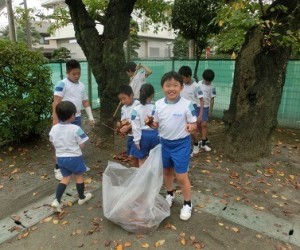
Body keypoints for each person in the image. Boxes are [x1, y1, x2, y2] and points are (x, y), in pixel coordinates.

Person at [149, 71, 197, 221]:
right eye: (168, 85)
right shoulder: (157, 104)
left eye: (175, 85)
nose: (171, 88)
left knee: (181, 176)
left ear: (181, 87)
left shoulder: (187, 105)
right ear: (162, 87)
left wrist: (192, 127)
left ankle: (188, 203)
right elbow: (155, 124)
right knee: (167, 172)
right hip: (164, 143)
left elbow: (194, 123)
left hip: (181, 145)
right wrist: (150, 123)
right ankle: (170, 194)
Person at [52, 59, 94, 181]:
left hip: (76, 117)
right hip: (63, 119)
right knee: (61, 143)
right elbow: (56, 102)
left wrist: (91, 117)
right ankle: (58, 168)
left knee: (77, 142)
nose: (76, 76)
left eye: (78, 73)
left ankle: (78, 165)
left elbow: (85, 101)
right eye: (74, 74)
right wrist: (55, 120)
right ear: (67, 72)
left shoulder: (81, 85)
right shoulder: (62, 84)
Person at [50, 101, 92, 213]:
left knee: (65, 178)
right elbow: (82, 145)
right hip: (74, 157)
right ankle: (82, 198)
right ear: (72, 115)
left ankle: (56, 200)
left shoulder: (54, 129)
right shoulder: (76, 129)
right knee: (79, 177)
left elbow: (53, 142)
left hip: (61, 159)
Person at [131, 84, 160, 167]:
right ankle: (154, 178)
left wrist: (136, 141)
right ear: (152, 95)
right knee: (154, 159)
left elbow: (135, 127)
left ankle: (143, 178)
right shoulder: (156, 107)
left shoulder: (135, 109)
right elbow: (158, 123)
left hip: (142, 136)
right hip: (155, 135)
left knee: (142, 159)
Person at [178, 66, 204, 156]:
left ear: (188, 76)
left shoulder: (196, 86)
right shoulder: (181, 85)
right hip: (181, 107)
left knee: (192, 129)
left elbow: (201, 100)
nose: (181, 79)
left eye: (182, 78)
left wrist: (200, 114)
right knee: (183, 129)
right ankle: (187, 148)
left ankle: (196, 145)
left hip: (192, 108)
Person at [116, 84, 140, 166]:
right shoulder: (123, 108)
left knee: (137, 154)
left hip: (137, 134)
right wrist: (120, 126)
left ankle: (139, 168)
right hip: (130, 135)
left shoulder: (138, 105)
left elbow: (138, 120)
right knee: (131, 155)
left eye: (124, 98)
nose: (123, 101)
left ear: (131, 95)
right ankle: (135, 168)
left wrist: (129, 126)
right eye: (120, 99)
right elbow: (124, 120)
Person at [198, 69, 216, 152]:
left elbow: (212, 99)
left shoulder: (212, 86)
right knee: (198, 124)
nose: (208, 82)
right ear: (203, 78)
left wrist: (210, 110)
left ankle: (204, 143)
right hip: (197, 106)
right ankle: (204, 138)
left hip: (205, 107)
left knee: (204, 124)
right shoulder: (198, 84)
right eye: (207, 81)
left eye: (210, 81)